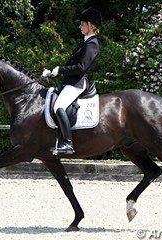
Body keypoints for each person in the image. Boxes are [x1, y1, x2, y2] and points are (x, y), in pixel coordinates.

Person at [42, 7, 103, 155]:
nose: (79, 26)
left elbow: (81, 67)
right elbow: (70, 64)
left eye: (82, 24)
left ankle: (68, 143)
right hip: (69, 82)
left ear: (92, 26)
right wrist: (53, 72)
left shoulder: (92, 44)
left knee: (58, 106)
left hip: (77, 83)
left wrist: (61, 70)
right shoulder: (82, 43)